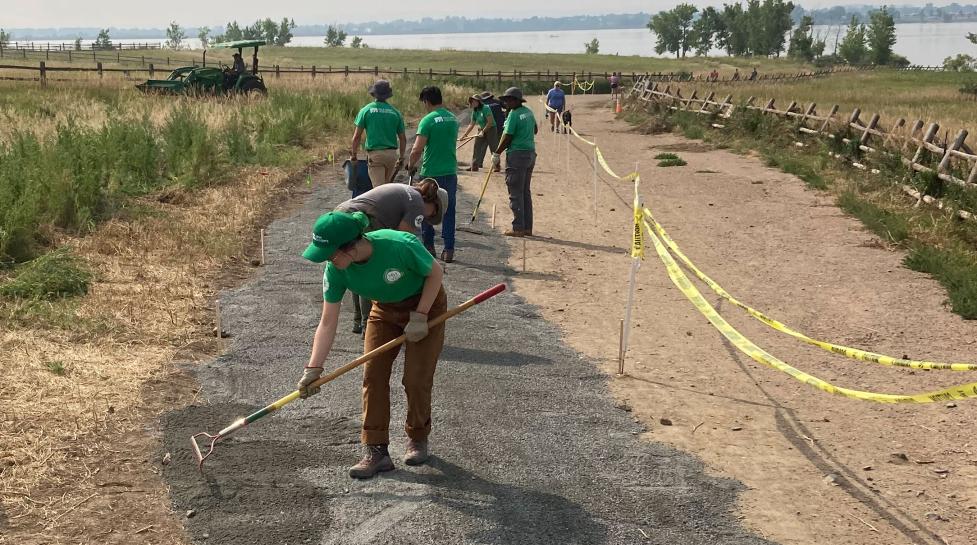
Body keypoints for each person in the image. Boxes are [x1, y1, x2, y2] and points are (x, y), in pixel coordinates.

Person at [297, 210, 447, 479]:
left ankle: (417, 436)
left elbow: (436, 273)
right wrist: (313, 368)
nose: (327, 261)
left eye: (330, 254)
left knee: (416, 377)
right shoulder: (336, 270)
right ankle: (376, 450)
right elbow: (328, 322)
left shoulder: (400, 245)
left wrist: (421, 315)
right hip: (384, 309)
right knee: (373, 375)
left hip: (426, 303)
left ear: (351, 247)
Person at [336, 180, 448, 334]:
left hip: (343, 215)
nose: (427, 218)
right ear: (432, 202)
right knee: (371, 271)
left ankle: (359, 322)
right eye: (433, 214)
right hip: (361, 220)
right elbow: (403, 240)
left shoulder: (407, 192)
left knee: (356, 267)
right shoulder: (417, 205)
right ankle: (368, 323)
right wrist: (427, 263)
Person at [408, 86, 459, 263]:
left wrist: (410, 164)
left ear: (427, 101)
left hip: (430, 172)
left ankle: (429, 246)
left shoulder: (428, 120)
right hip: (450, 170)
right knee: (448, 209)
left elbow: (417, 149)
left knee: (427, 209)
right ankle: (449, 248)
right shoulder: (453, 119)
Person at [496, 87, 537, 238]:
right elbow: (535, 130)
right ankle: (527, 228)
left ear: (515, 101)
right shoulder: (528, 112)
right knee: (525, 192)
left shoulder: (513, 114)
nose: (506, 103)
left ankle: (518, 228)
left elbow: (507, 137)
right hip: (530, 154)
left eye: (507, 100)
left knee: (515, 192)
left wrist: (496, 153)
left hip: (517, 155)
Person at [351, 80, 408, 187]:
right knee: (387, 189)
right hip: (391, 156)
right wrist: (401, 157)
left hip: (375, 156)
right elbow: (403, 138)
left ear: (374, 94)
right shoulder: (395, 112)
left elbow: (356, 137)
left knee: (378, 192)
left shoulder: (366, 110)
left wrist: (354, 155)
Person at [459, 94, 499, 173]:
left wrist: (483, 132)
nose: (472, 103)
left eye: (474, 101)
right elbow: (471, 124)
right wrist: (464, 135)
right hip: (481, 129)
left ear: (478, 102)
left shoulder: (485, 108)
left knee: (493, 148)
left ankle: (496, 166)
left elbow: (490, 122)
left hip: (491, 129)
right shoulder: (475, 111)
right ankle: (474, 166)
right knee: (477, 147)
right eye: (471, 101)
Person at [479, 91, 506, 172]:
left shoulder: (483, 106)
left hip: (487, 127)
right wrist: (503, 114)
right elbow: (507, 107)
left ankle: (479, 163)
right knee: (495, 148)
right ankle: (496, 165)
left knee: (482, 146)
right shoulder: (498, 102)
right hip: (499, 127)